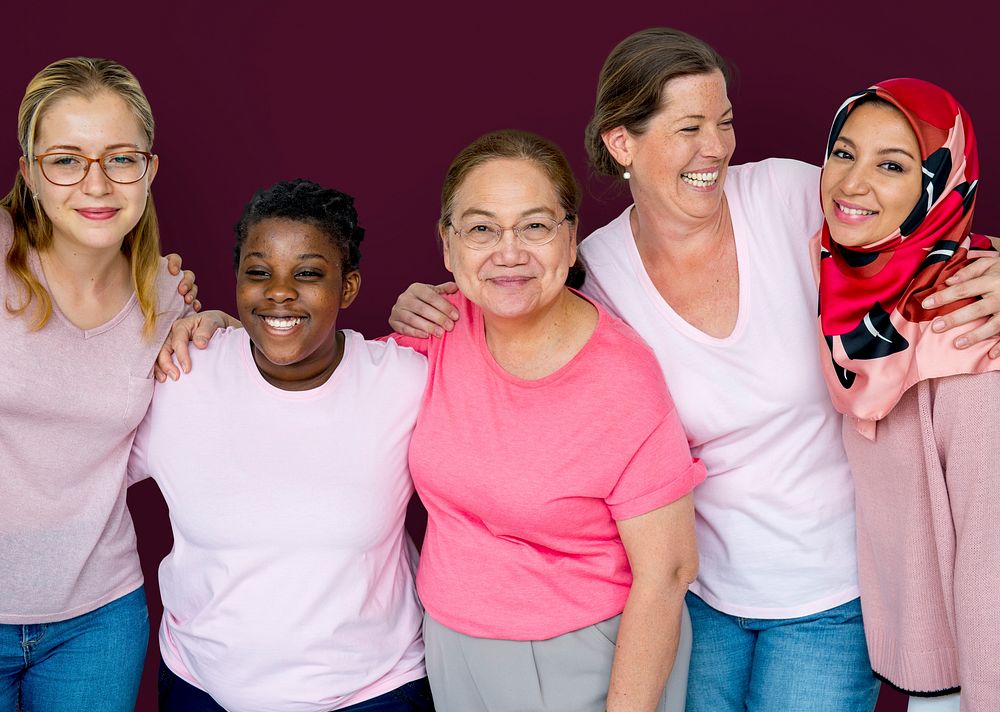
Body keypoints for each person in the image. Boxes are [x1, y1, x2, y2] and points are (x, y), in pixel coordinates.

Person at [386, 29, 1000, 711]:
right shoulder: (594, 271)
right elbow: (511, 294)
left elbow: (917, 232)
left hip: (834, 594)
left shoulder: (790, 197)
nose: (716, 147)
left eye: (724, 122)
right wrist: (427, 303)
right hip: (697, 596)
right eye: (689, 127)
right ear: (624, 144)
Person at [158, 130, 705, 712]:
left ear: (571, 240)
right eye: (481, 228)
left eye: (536, 226)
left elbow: (668, 571)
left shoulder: (622, 377)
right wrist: (219, 329)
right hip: (451, 657)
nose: (509, 251)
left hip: (583, 657)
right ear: (448, 246)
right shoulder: (437, 339)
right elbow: (315, 362)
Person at [128, 179, 433, 712]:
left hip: (372, 693)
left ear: (350, 286)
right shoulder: (180, 374)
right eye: (259, 272)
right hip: (203, 689)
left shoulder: (405, 382)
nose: (279, 292)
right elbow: (76, 468)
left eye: (308, 273)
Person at [0, 57, 198, 711]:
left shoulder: (170, 297)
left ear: (150, 170)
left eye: (120, 158)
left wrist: (209, 323)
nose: (97, 183)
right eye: (66, 160)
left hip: (99, 619)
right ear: (28, 171)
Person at [815, 78, 1000, 711]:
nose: (852, 183)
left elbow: (991, 561)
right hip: (921, 663)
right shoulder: (844, 278)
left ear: (940, 187)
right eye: (844, 153)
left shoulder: (969, 333)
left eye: (892, 165)